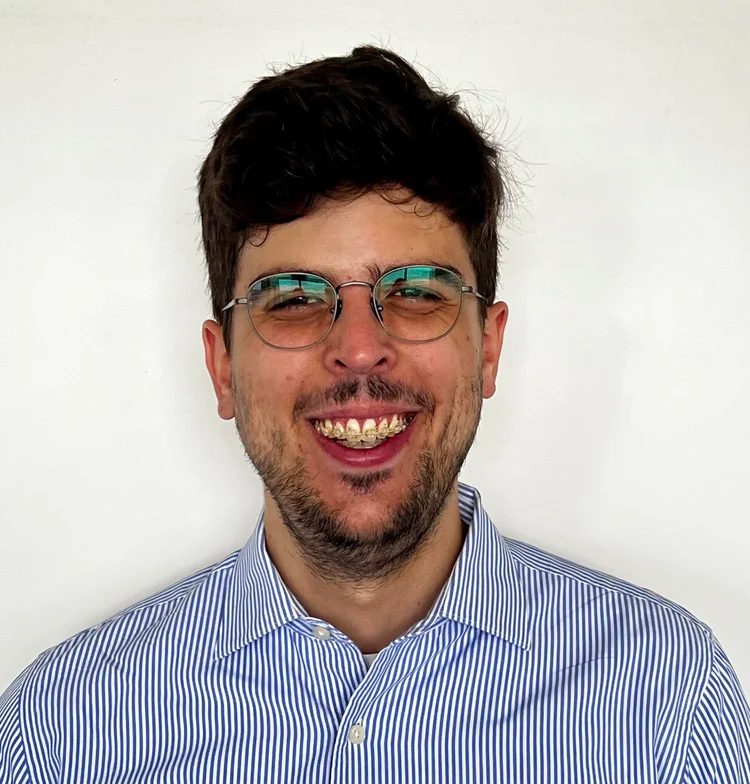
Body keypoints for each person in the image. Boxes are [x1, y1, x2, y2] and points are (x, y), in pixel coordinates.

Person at [1, 45, 748, 784]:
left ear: (487, 350)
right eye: (293, 298)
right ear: (221, 366)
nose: (359, 350)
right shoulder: (62, 733)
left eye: (417, 290)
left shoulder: (668, 703)